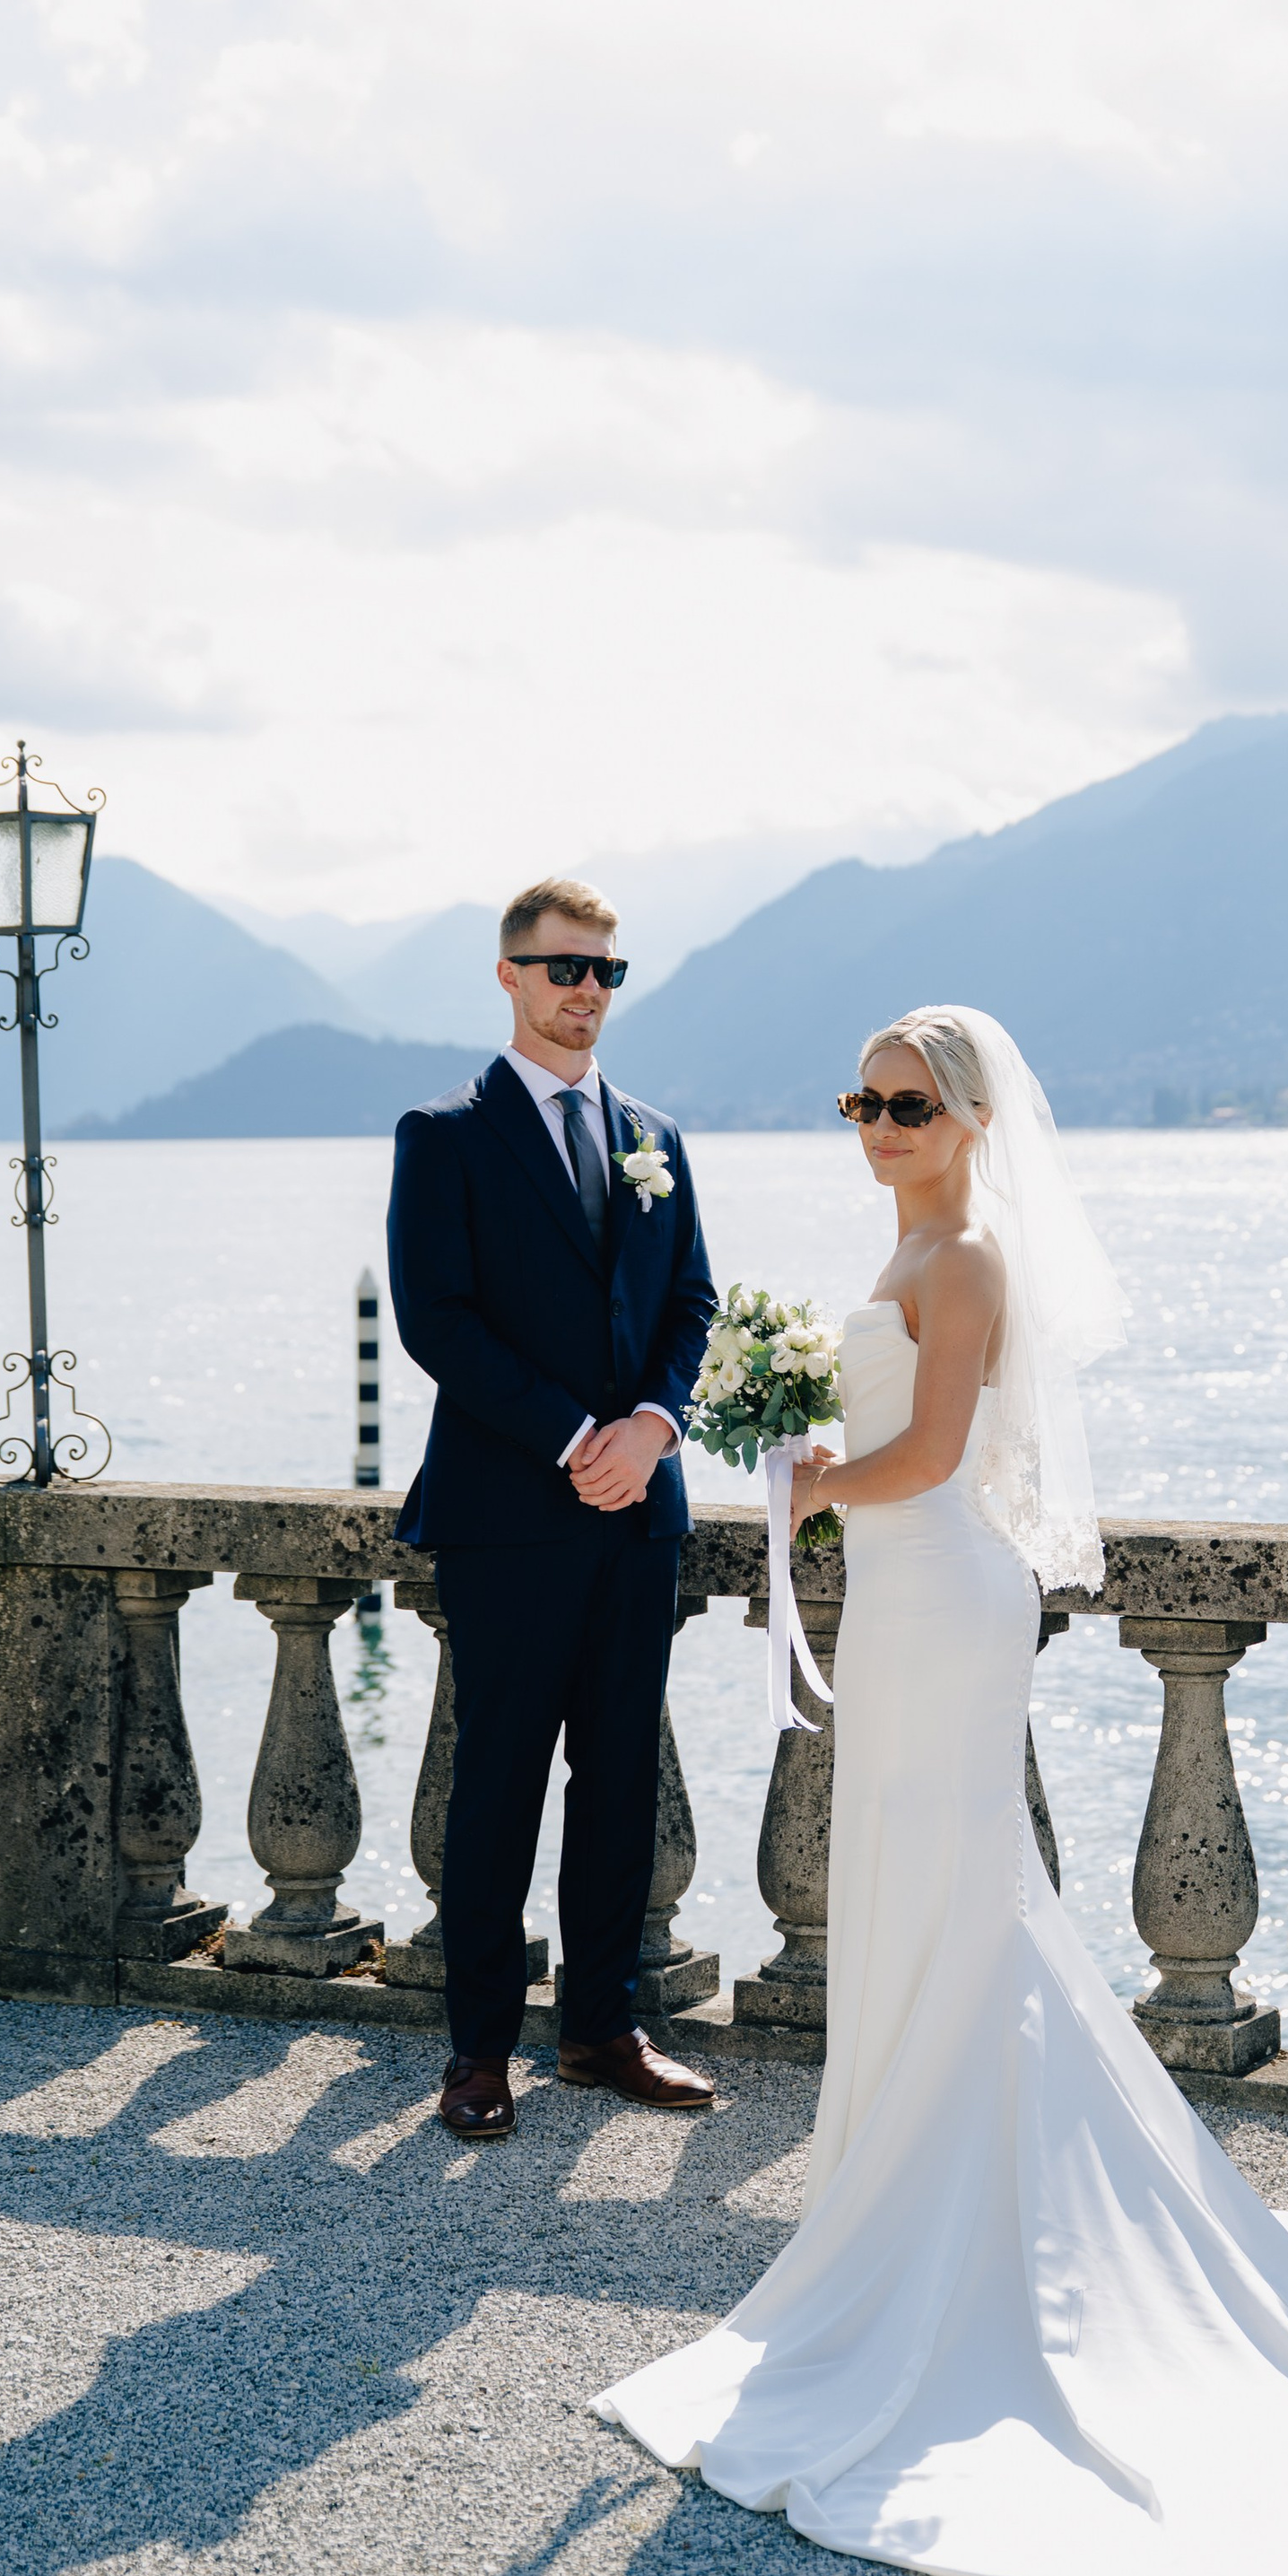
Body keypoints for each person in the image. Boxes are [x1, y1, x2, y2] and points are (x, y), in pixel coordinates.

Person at [595, 1004, 1288, 2576]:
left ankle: (962, 2236)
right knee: (919, 1892)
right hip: (896, 1604)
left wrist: (806, 1470)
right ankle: (915, 2205)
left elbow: (936, 1459)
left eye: (906, 1103)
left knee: (960, 1895)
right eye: (859, 1102)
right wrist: (809, 1447)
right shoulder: (913, 1252)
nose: (876, 1126)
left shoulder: (968, 1263)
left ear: (967, 1118)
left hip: (941, 1597)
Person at [387, 876, 720, 2143]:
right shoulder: (446, 1133)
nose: (587, 992)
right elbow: (438, 1321)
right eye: (564, 969)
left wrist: (654, 1429)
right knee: (501, 1784)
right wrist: (578, 1436)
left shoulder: (656, 1136)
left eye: (606, 973)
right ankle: (479, 2051)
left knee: (622, 1776)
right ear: (510, 976)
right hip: (509, 1510)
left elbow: (691, 1304)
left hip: (641, 1508)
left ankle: (602, 2030)